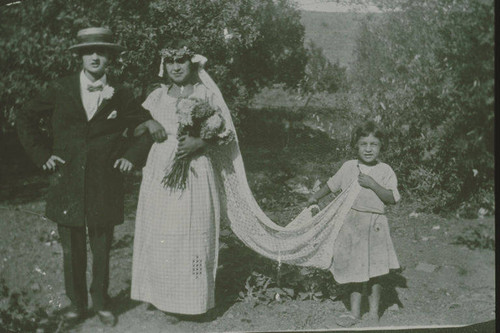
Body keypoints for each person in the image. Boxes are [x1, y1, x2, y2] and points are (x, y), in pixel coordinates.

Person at [16, 27, 166, 327]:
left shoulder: (122, 93)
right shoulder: (60, 87)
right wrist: (42, 155)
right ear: (80, 57)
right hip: (67, 180)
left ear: (110, 56)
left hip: (104, 181)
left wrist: (131, 156)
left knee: (101, 247)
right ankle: (76, 304)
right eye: (89, 52)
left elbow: (146, 125)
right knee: (71, 248)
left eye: (101, 51)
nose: (95, 57)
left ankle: (101, 302)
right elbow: (25, 117)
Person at [130, 39, 236, 317]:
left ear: (192, 63)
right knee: (162, 231)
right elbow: (132, 128)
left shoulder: (206, 94)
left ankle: (192, 300)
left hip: (195, 168)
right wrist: (148, 122)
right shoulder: (157, 96)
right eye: (170, 62)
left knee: (191, 230)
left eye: (181, 61)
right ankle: (160, 294)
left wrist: (200, 144)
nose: (176, 67)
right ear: (163, 66)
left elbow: (226, 135)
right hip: (160, 169)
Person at [307, 121, 400, 327]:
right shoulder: (349, 167)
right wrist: (315, 197)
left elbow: (392, 198)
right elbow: (331, 185)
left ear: (381, 146)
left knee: (376, 271)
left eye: (374, 144)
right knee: (354, 270)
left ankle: (374, 312)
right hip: (352, 226)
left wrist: (372, 184)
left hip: (375, 226)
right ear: (356, 146)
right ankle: (355, 313)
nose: (368, 149)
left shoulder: (385, 170)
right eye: (363, 144)